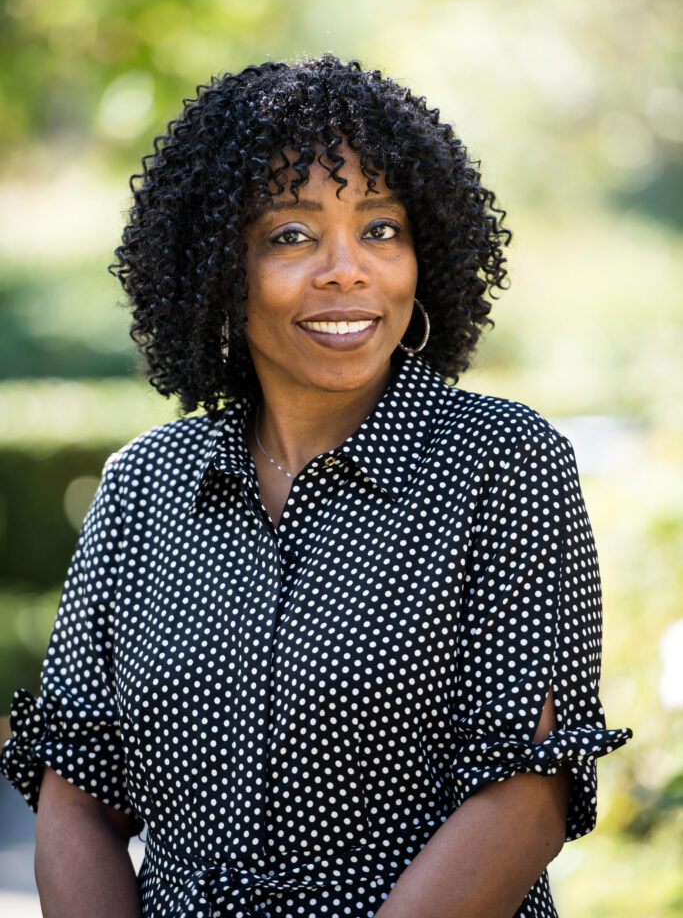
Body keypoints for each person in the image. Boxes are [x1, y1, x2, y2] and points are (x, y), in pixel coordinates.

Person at [0, 54, 632, 918]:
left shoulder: (502, 462)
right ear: (220, 267)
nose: (347, 270)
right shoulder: (143, 485)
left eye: (381, 229)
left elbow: (525, 790)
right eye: (291, 235)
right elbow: (77, 789)